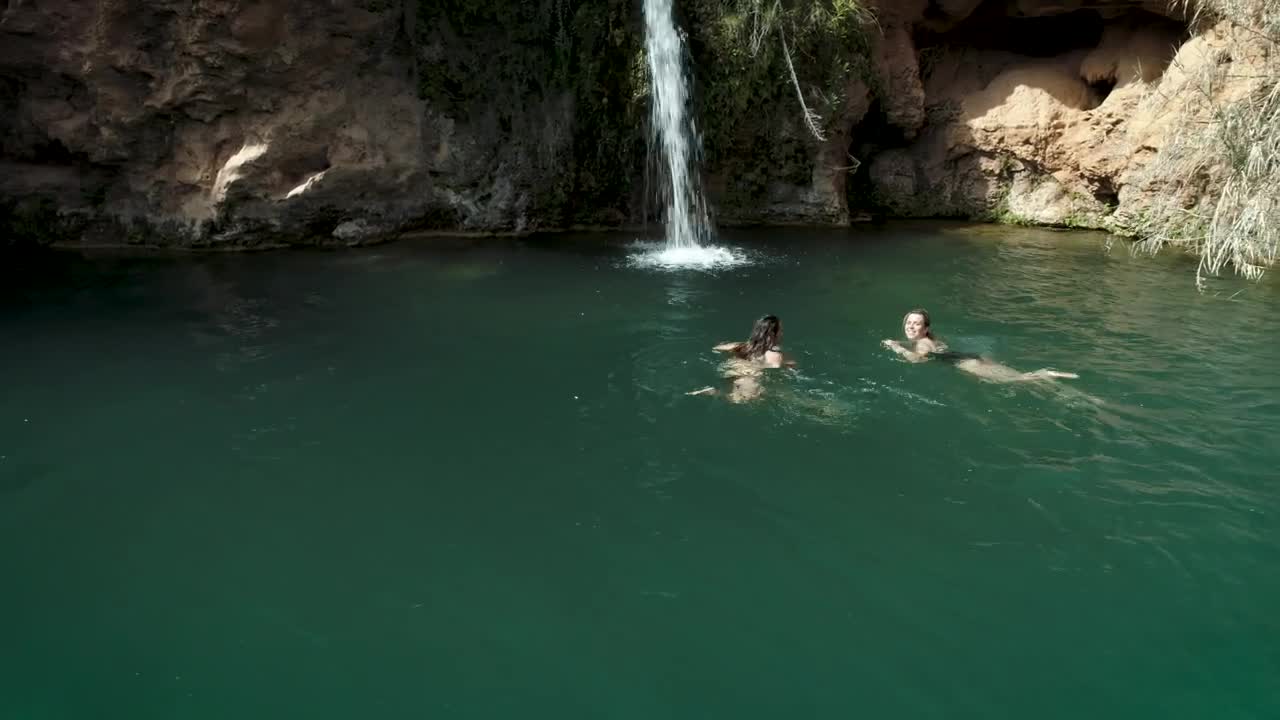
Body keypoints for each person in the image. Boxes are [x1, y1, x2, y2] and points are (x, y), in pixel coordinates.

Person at [882, 308, 1078, 382]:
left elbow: (916, 360)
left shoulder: (922, 345)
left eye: (916, 323)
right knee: (1017, 376)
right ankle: (1045, 377)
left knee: (1018, 380)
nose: (911, 326)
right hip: (973, 357)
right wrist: (902, 342)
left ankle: (1046, 374)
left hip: (969, 364)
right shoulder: (930, 339)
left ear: (925, 328)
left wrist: (896, 348)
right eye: (909, 322)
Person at [688, 314, 795, 402]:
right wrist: (788, 365)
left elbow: (716, 348)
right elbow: (775, 367)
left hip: (730, 371)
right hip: (747, 379)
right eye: (780, 330)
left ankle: (716, 392)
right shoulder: (775, 355)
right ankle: (714, 392)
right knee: (745, 400)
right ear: (773, 334)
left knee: (735, 398)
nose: (782, 333)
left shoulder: (740, 346)